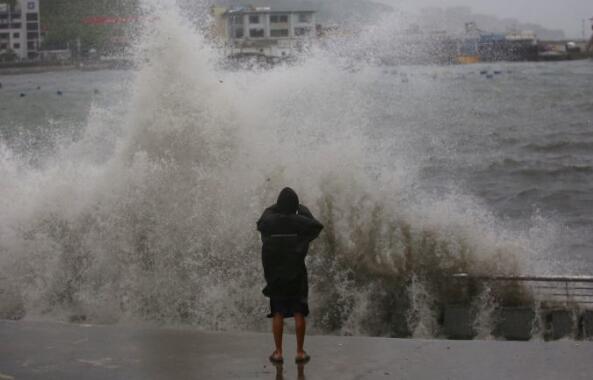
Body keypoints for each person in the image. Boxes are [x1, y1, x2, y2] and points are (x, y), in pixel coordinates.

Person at [257, 187, 323, 364]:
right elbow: (317, 226)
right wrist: (301, 209)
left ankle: (278, 352)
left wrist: (276, 207)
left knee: (277, 313)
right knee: (298, 312)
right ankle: (300, 352)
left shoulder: (268, 225)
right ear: (295, 206)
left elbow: (261, 222)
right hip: (296, 275)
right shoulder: (300, 225)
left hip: (275, 277)